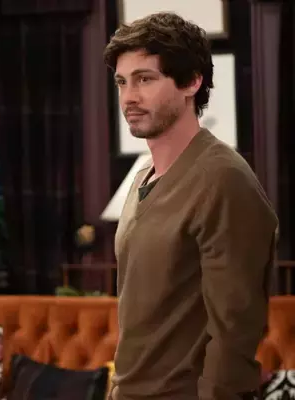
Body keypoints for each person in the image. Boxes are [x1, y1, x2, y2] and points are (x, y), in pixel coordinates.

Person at [103, 12, 278, 400]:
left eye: (145, 79)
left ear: (191, 82)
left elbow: (235, 330)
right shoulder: (142, 176)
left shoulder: (223, 179)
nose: (129, 97)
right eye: (122, 82)